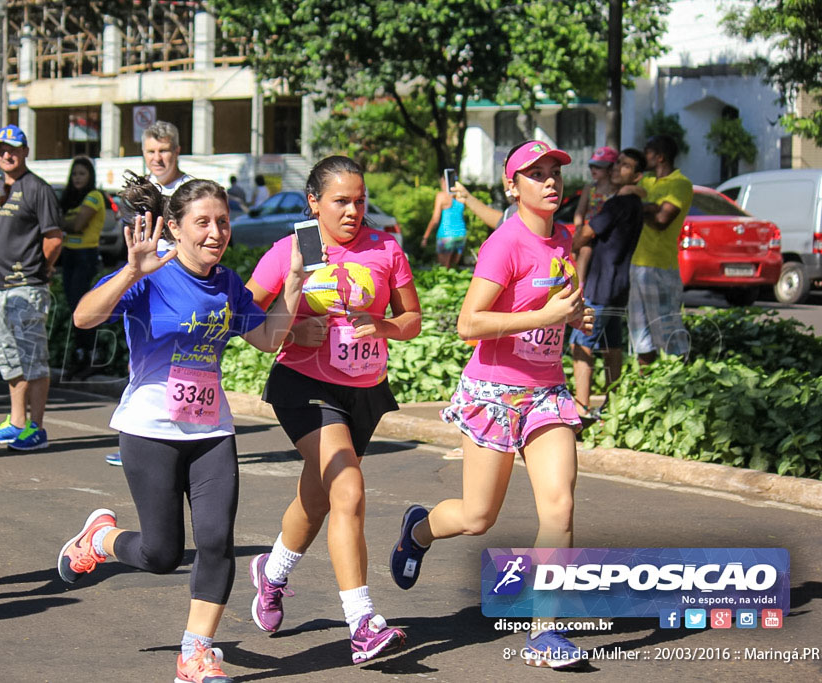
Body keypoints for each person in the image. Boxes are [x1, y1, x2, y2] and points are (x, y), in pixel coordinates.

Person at [57, 179, 306, 683]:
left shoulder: (229, 283)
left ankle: (197, 653)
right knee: (161, 554)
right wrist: (131, 271)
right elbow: (83, 318)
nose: (217, 232)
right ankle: (101, 539)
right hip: (149, 428)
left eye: (223, 222)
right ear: (173, 227)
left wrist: (296, 282)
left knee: (216, 541)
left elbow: (266, 338)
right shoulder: (151, 275)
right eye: (204, 222)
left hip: (210, 429)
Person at [388, 140, 594, 669]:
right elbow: (468, 324)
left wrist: (574, 317)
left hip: (547, 391)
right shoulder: (505, 243)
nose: (550, 182)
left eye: (555, 173)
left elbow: (559, 303)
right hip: (495, 393)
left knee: (560, 506)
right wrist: (545, 317)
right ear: (512, 187)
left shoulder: (564, 239)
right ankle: (418, 529)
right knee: (478, 516)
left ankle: (545, 632)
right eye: (536, 174)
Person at [245, 156, 421, 664]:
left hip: (363, 390)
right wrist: (293, 329)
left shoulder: (385, 248)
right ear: (314, 203)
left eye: (360, 201)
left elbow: (411, 318)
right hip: (304, 384)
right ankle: (362, 621)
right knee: (348, 487)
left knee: (320, 498)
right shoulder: (291, 250)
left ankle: (272, 573)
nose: (353, 211)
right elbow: (249, 316)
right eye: (341, 201)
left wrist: (383, 326)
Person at [0, 124, 62, 451]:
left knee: (33, 359)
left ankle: (36, 427)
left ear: (26, 151)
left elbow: (53, 237)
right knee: (8, 356)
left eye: (13, 149)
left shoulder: (38, 188)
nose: (7, 154)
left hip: (25, 287)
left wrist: (40, 269)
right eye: (1, 149)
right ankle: (16, 422)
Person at [569, 149, 646, 417]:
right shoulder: (634, 204)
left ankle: (581, 409)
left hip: (601, 285)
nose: (617, 168)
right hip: (619, 285)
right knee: (612, 346)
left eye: (625, 166)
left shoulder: (616, 205)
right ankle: (613, 406)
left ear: (636, 176)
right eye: (618, 163)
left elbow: (587, 232)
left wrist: (569, 246)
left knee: (580, 343)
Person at [628, 135, 693, 365]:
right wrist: (649, 208)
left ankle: (679, 381)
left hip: (660, 267)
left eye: (647, 152)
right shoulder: (644, 182)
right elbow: (628, 202)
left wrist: (639, 208)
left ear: (660, 156)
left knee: (668, 331)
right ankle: (648, 386)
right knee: (640, 336)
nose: (644, 157)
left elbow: (662, 220)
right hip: (637, 264)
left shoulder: (680, 184)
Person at [58, 156, 105, 379]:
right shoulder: (70, 199)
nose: (78, 178)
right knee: (73, 308)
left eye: (82, 174)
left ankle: (94, 356)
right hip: (69, 256)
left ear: (90, 177)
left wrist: (60, 222)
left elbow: (77, 225)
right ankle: (80, 355)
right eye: (75, 174)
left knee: (84, 309)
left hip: (85, 256)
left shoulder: (94, 197)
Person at [572, 147, 619, 282]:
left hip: (608, 233)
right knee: (585, 250)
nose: (594, 170)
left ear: (611, 168)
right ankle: (580, 285)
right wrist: (578, 227)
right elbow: (580, 211)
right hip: (589, 231)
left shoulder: (618, 190)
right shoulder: (590, 188)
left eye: (599, 166)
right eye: (592, 166)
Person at [420, 173, 467, 268]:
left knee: (443, 269)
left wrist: (425, 236)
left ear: (444, 182)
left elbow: (435, 219)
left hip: (446, 235)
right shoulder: (460, 195)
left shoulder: (441, 196)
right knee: (454, 268)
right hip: (461, 234)